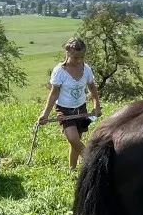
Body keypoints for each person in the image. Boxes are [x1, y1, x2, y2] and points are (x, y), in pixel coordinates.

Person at [38, 38, 102, 171]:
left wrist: (96, 105)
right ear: (68, 54)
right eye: (75, 57)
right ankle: (92, 162)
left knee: (76, 141)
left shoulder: (87, 69)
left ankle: (72, 169)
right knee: (73, 139)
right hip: (64, 110)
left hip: (81, 109)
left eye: (82, 57)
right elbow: (54, 93)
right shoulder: (59, 71)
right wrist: (45, 114)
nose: (79, 60)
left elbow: (92, 87)